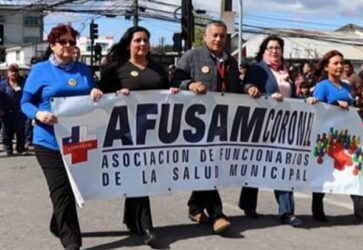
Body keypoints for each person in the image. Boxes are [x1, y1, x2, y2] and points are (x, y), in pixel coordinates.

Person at [20, 24, 103, 250]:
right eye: (63, 42)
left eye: (71, 42)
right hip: (48, 143)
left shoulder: (83, 70)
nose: (68, 46)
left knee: (74, 190)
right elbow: (25, 103)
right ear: (52, 44)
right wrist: (38, 113)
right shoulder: (39, 71)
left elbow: (92, 95)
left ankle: (58, 222)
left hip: (78, 141)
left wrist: (95, 92)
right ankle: (72, 242)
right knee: (62, 190)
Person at [99, 26, 173, 245]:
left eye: (145, 41)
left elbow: (168, 95)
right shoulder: (116, 70)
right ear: (129, 43)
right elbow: (101, 98)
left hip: (153, 133)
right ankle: (147, 226)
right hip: (125, 132)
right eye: (138, 40)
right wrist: (115, 96)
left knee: (139, 174)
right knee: (138, 174)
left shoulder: (158, 70)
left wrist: (175, 93)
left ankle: (131, 219)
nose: (142, 44)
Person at [171, 20, 241, 234]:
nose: (219, 39)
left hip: (221, 122)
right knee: (206, 163)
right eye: (215, 35)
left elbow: (236, 88)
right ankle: (217, 214)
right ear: (205, 37)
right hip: (195, 123)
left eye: (222, 36)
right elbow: (176, 77)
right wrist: (190, 85)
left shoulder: (230, 62)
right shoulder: (192, 56)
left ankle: (194, 206)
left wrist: (250, 88)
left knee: (210, 164)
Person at [307, 50, 363, 224]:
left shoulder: (346, 86)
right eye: (335, 63)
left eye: (341, 63)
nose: (340, 66)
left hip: (346, 139)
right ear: (326, 66)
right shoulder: (322, 86)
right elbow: (317, 111)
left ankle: (362, 212)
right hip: (327, 140)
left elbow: (350, 111)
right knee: (324, 173)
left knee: (355, 171)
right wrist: (334, 104)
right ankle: (317, 210)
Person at [238, 35, 302, 226]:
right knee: (257, 165)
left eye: (277, 48)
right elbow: (247, 88)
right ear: (264, 50)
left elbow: (290, 95)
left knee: (283, 166)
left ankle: (287, 212)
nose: (274, 51)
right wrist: (265, 95)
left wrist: (305, 101)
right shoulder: (258, 68)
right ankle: (248, 204)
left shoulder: (285, 71)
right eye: (270, 47)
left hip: (284, 125)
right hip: (262, 123)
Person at [0, 64, 27, 156]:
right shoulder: (2, 84)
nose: (13, 73)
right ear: (7, 73)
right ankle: (8, 149)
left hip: (20, 112)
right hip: (6, 112)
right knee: (7, 133)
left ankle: (20, 148)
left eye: (15, 71)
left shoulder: (24, 83)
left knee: (21, 132)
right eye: (11, 71)